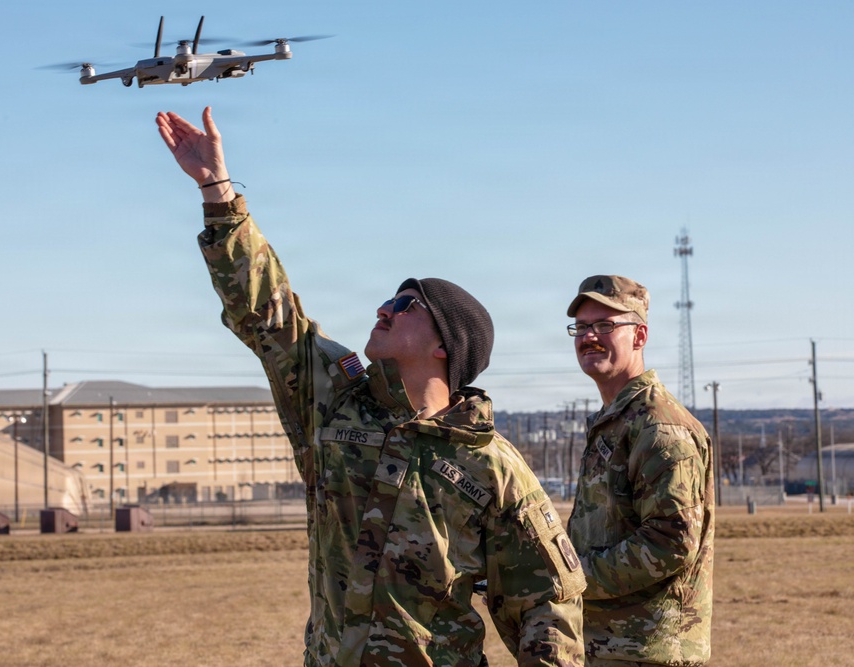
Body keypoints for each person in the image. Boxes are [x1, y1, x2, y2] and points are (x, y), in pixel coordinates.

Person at [156, 107, 586, 667]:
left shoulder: (492, 467)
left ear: (445, 347)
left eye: (407, 306)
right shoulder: (335, 402)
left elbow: (547, 603)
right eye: (390, 298)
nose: (384, 308)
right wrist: (217, 189)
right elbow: (269, 313)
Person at [564, 275, 714, 667]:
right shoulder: (615, 420)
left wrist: (569, 577)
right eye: (581, 328)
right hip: (606, 645)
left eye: (605, 326)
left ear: (640, 335)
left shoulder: (660, 427)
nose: (589, 337)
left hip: (648, 651)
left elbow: (670, 542)